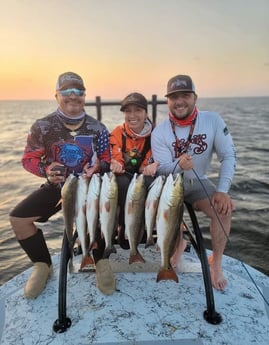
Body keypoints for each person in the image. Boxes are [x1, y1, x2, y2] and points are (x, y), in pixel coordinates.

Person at [9, 71, 115, 298]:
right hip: (58, 187)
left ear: (85, 96)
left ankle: (101, 262)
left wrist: (98, 168)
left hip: (89, 188)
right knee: (18, 219)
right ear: (56, 95)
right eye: (66, 91)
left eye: (79, 91)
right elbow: (28, 159)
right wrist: (45, 171)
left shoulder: (98, 128)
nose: (73, 96)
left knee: (98, 219)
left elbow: (107, 159)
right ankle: (42, 265)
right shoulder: (43, 126)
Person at [151, 74, 236, 291]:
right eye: (173, 97)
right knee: (161, 210)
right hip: (169, 185)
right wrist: (179, 164)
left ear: (195, 97)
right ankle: (179, 242)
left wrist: (222, 190)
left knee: (224, 210)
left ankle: (216, 262)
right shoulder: (159, 131)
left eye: (185, 95)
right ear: (167, 101)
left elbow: (228, 156)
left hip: (197, 183)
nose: (179, 101)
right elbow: (161, 169)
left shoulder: (213, 120)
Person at [110, 92, 159, 249]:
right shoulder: (117, 133)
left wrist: (150, 166)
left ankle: (145, 227)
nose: (132, 115)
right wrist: (115, 164)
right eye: (128, 111)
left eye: (137, 110)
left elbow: (147, 165)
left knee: (151, 182)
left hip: (141, 178)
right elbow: (115, 158)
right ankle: (123, 228)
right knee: (122, 181)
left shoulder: (155, 136)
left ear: (146, 113)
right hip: (123, 179)